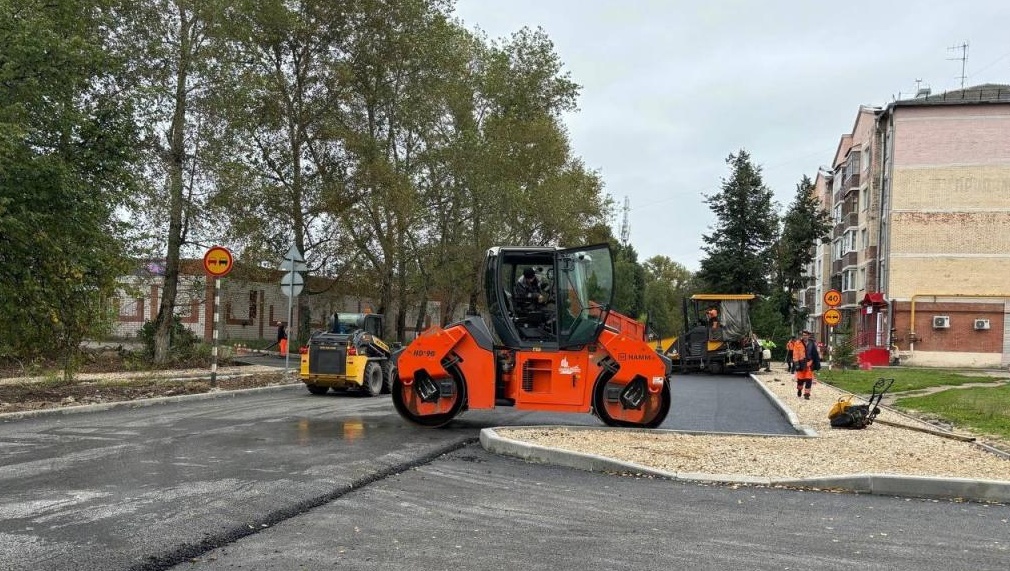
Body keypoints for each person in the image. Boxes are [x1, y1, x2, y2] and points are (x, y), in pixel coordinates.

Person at [792, 329, 821, 399]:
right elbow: (795, 354)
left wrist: (817, 364)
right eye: (803, 335)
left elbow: (815, 354)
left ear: (809, 336)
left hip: (809, 364)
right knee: (800, 380)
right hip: (801, 364)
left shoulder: (812, 343)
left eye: (806, 335)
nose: (804, 336)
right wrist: (797, 364)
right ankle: (799, 389)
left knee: (809, 379)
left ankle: (807, 394)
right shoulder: (797, 343)